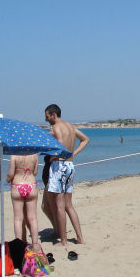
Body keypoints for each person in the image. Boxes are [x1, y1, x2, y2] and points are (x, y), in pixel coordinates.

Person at [45, 104, 90, 246]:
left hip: (60, 166)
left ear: (53, 115)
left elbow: (59, 144)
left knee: (60, 205)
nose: (46, 120)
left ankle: (63, 241)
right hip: (70, 165)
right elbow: (85, 139)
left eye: (47, 117)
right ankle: (80, 238)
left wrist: (52, 157)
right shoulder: (70, 126)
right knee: (69, 205)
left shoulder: (56, 127)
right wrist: (73, 154)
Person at [6, 154, 39, 244]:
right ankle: (35, 243)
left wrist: (7, 179)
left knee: (18, 218)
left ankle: (19, 243)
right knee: (33, 218)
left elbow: (11, 173)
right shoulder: (35, 155)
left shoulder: (14, 156)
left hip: (17, 185)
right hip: (31, 185)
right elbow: (35, 172)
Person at [40, 155, 57, 240]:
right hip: (48, 178)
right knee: (46, 207)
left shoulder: (57, 144)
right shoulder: (50, 144)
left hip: (52, 179)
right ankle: (57, 229)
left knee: (47, 206)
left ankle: (57, 230)